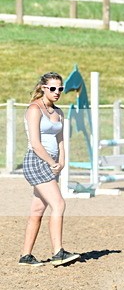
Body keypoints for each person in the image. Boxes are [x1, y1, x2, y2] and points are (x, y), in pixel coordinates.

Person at [18, 72, 80, 267]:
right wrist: (50, 162)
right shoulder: (34, 109)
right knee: (59, 204)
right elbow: (35, 144)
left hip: (52, 163)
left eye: (60, 89)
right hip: (36, 161)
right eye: (53, 88)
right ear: (43, 88)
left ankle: (25, 256)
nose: (57, 92)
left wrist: (61, 161)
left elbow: (60, 140)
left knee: (37, 209)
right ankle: (58, 252)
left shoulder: (58, 112)